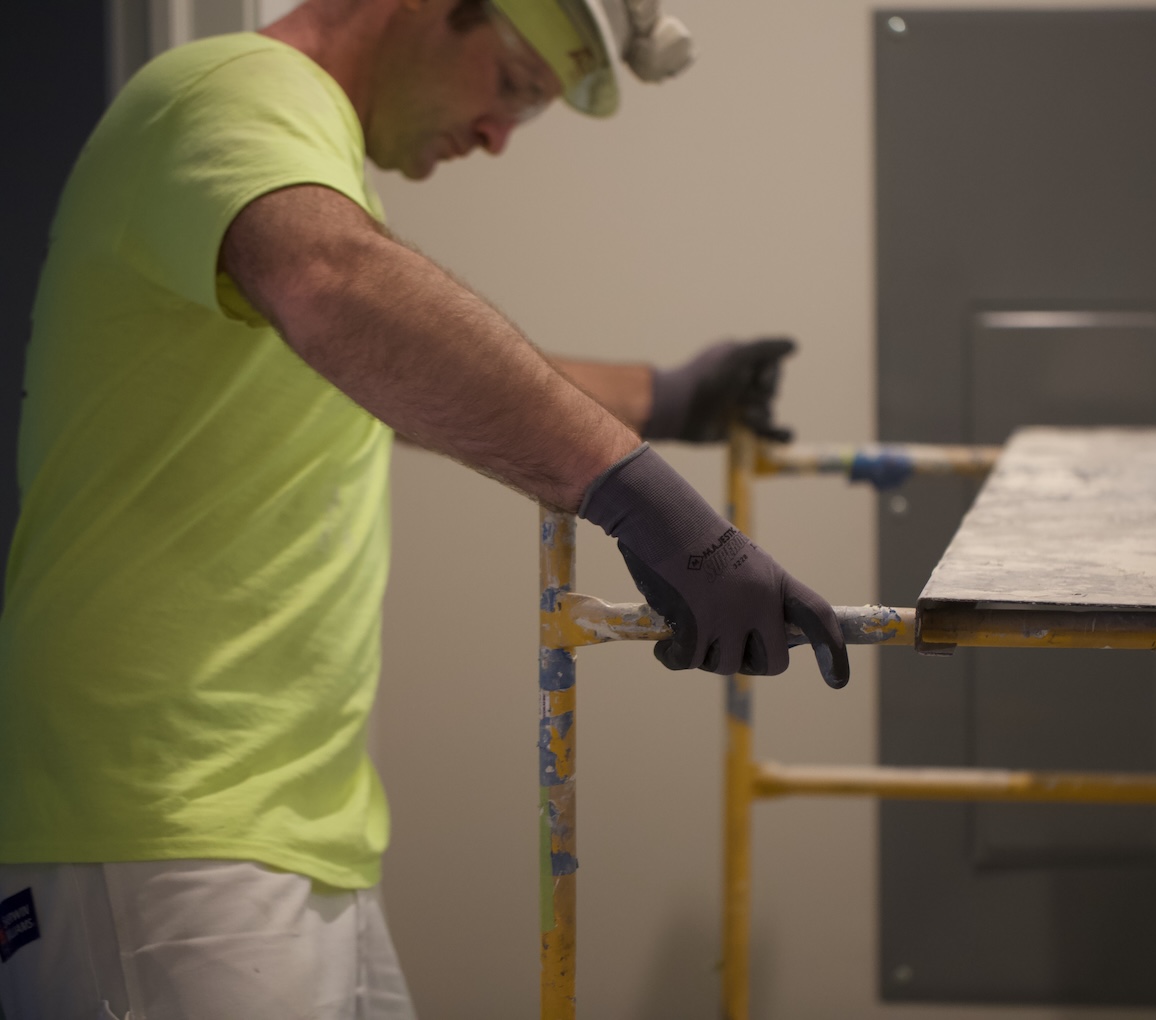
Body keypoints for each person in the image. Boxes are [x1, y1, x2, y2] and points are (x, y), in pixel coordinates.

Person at [0, 0, 848, 1015]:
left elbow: (383, 364)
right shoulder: (229, 92)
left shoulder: (290, 158)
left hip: (279, 822)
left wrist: (665, 397)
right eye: (513, 89)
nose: (496, 138)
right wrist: (661, 513)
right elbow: (339, 286)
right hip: (160, 821)